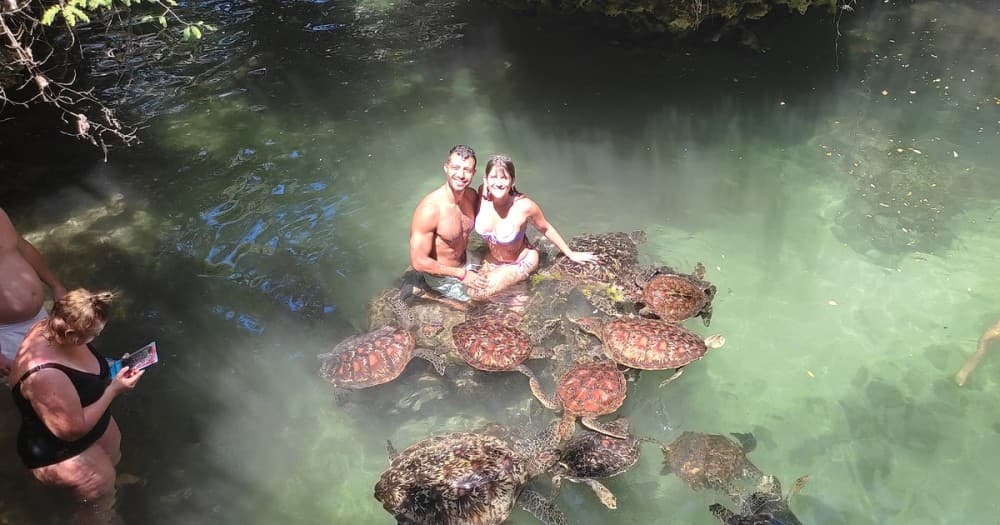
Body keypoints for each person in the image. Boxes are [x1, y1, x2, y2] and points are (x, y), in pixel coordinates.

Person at [9, 289, 143, 523]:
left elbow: (86, 375)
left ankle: (111, 486)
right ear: (72, 334)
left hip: (86, 418)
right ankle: (95, 512)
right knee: (98, 498)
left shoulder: (54, 327)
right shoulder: (45, 376)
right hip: (56, 449)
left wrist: (117, 368)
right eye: (95, 333)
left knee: (110, 468)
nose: (97, 337)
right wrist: (114, 390)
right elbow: (72, 431)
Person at [469, 154, 597, 300]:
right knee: (473, 291)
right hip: (493, 258)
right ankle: (516, 291)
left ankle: (519, 289)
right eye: (493, 177)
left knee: (477, 294)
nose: (498, 183)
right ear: (485, 180)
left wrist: (570, 253)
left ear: (512, 181)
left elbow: (546, 228)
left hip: (520, 261)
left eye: (504, 178)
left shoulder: (524, 207)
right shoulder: (482, 195)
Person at [406, 144, 489, 304]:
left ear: (474, 173)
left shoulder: (471, 196)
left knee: (501, 277)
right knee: (481, 304)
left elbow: (491, 212)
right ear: (446, 167)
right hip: (444, 276)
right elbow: (418, 261)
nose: (461, 175)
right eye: (455, 167)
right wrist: (462, 275)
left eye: (467, 169)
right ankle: (426, 293)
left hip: (467, 259)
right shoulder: (430, 210)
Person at [0, 207, 67, 378]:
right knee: (50, 390)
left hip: (40, 316)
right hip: (7, 334)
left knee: (76, 371)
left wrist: (56, 285)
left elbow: (23, 248)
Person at [955, 318, 1000, 386]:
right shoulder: (995, 332)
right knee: (981, 350)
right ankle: (964, 371)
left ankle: (964, 372)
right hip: (992, 335)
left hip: (993, 335)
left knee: (982, 350)